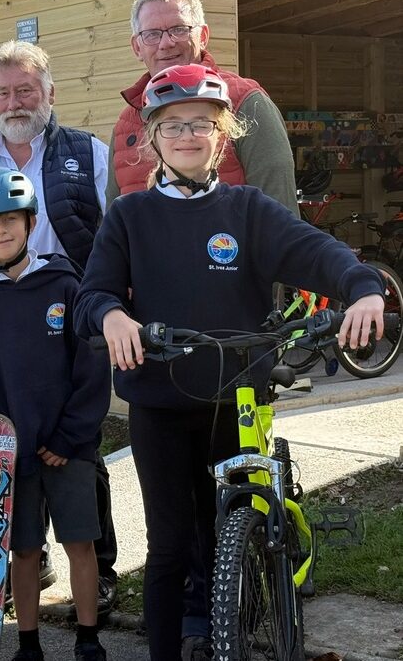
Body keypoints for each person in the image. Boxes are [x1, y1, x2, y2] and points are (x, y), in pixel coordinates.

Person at [73, 63, 386, 661]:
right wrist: (111, 316)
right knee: (167, 548)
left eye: (202, 124)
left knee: (227, 538)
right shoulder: (130, 216)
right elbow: (94, 293)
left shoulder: (247, 210)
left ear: (224, 135)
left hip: (237, 398)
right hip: (159, 401)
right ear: (151, 138)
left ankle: (231, 634)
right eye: (172, 126)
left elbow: (315, 251)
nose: (188, 135)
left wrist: (363, 286)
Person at [0, 38, 120, 615]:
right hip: (2, 318)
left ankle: (101, 571)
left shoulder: (88, 153)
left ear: (49, 94)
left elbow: (117, 233)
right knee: (14, 456)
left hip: (74, 315)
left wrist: (109, 306)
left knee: (79, 456)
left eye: (26, 90)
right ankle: (27, 573)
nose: (15, 101)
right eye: (4, 92)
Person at [0, 166, 111, 661]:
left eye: (10, 218)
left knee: (81, 544)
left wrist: (71, 436)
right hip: (6, 457)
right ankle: (28, 642)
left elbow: (92, 370)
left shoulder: (65, 285)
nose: (0, 230)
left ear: (30, 222)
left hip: (67, 449)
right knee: (24, 551)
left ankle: (88, 637)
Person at [108, 0, 298, 217]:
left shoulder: (246, 103)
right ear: (137, 47)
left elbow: (281, 219)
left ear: (203, 36)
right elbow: (111, 225)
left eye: (179, 29)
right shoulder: (125, 124)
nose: (166, 43)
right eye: (152, 34)